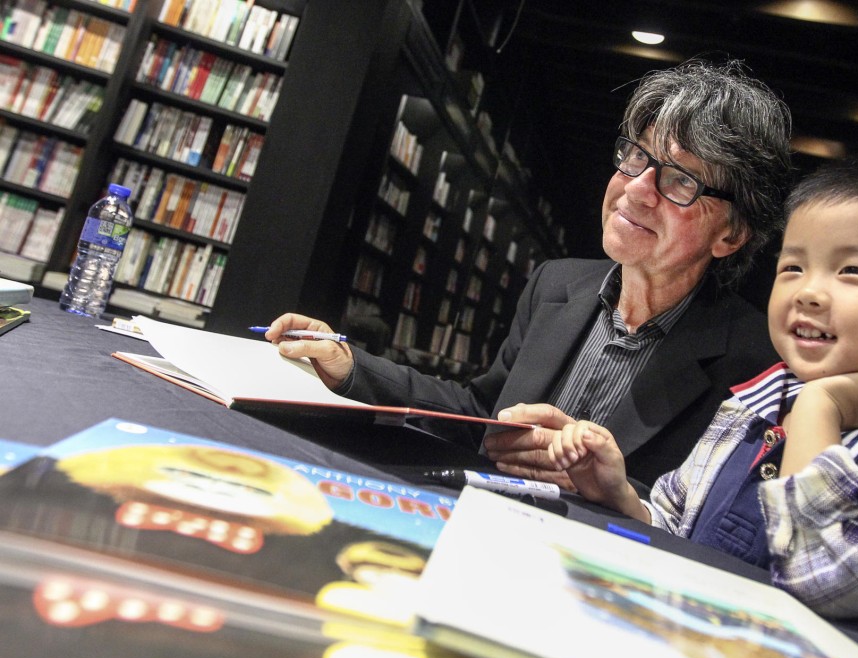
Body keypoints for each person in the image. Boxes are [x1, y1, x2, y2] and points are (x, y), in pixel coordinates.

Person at [266, 58, 793, 490]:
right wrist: (351, 368)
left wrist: (610, 487)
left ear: (732, 234)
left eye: (680, 181)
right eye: (636, 156)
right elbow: (480, 412)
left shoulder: (757, 360)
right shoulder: (556, 285)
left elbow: (715, 518)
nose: (636, 188)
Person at [546, 158, 858, 650]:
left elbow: (819, 575)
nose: (809, 292)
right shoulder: (746, 413)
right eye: (794, 266)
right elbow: (679, 527)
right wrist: (622, 498)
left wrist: (819, 411)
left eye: (853, 270)